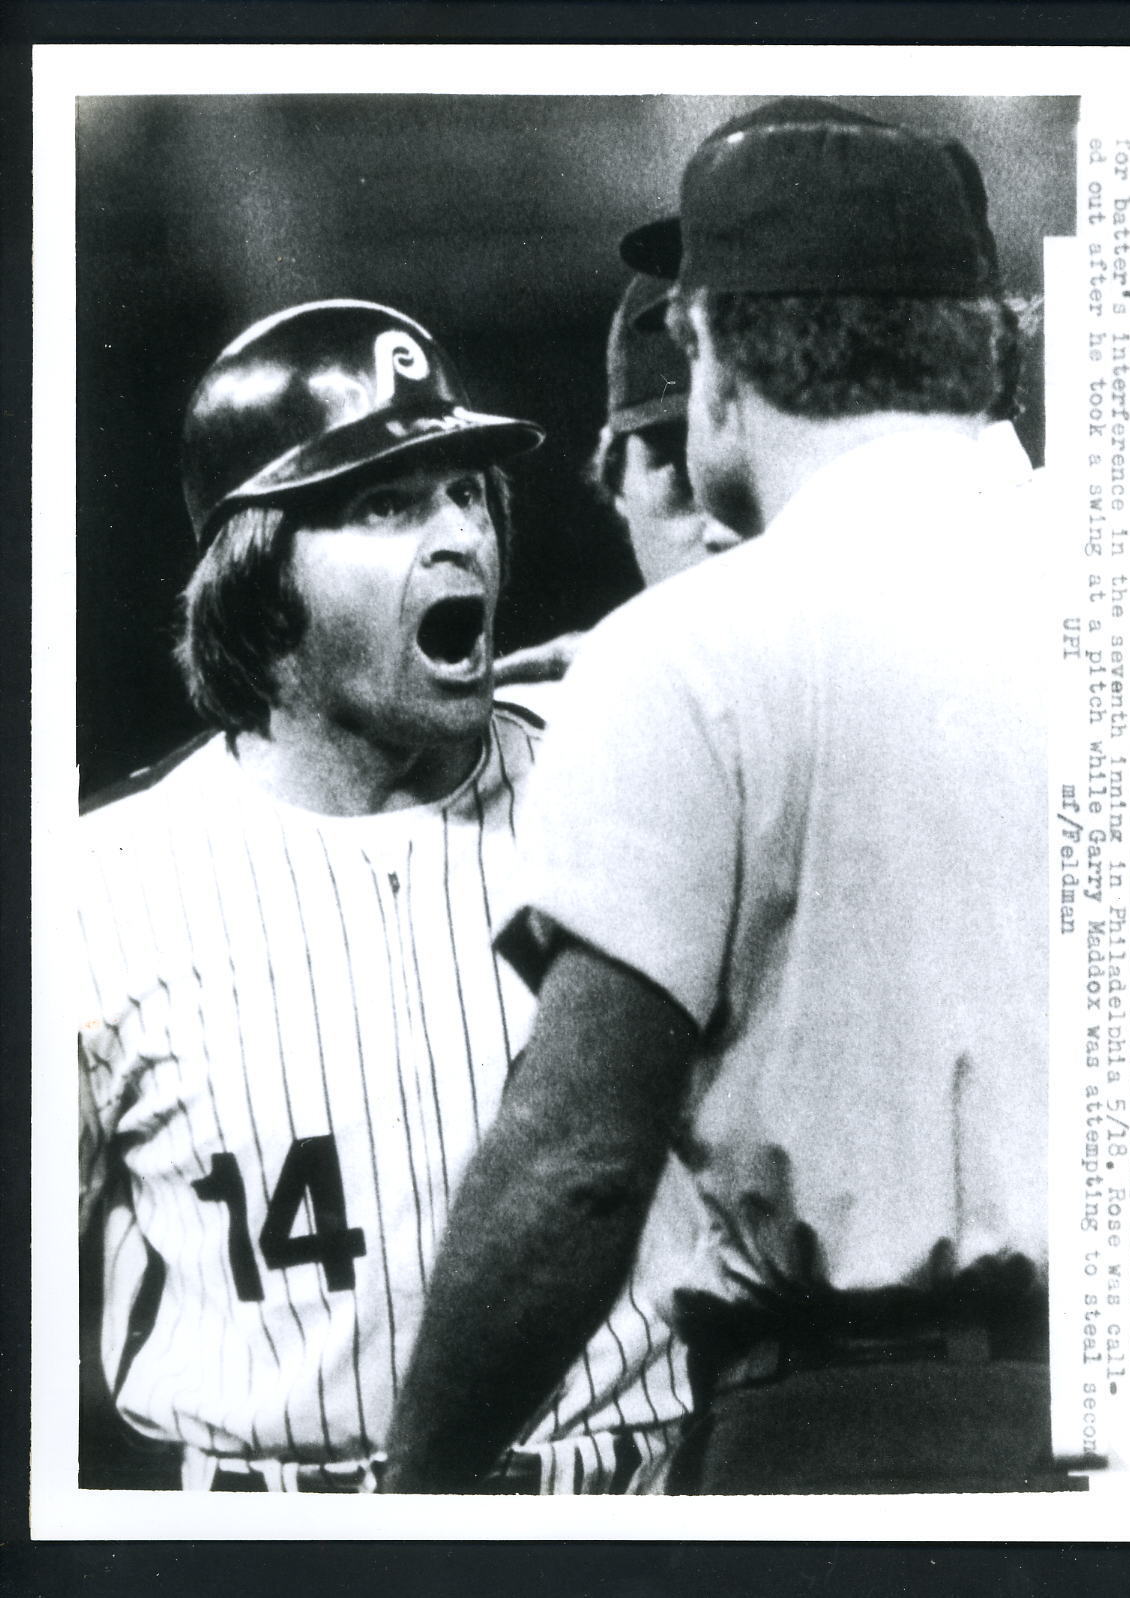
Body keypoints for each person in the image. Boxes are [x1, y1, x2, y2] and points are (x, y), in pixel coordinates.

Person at [385, 101, 1063, 1495]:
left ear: (711, 356)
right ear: (981, 338)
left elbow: (574, 1160)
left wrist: (411, 1501)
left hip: (856, 1437)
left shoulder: (693, 649)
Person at [77, 298, 690, 1494]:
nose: (458, 533)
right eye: (388, 504)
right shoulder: (102, 893)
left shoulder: (634, 762)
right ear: (257, 580)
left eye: (467, 492)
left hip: (644, 1503)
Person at [490, 272, 739, 693]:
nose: (726, 530)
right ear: (614, 476)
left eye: (748, 474)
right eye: (681, 473)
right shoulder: (556, 719)